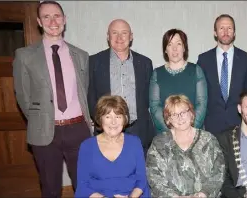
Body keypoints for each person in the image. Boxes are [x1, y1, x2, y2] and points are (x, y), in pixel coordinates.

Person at [12, 1, 93, 197]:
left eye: (57, 16)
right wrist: (41, 119)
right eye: (46, 17)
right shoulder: (24, 56)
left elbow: (85, 90)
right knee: (50, 188)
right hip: (45, 132)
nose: (53, 21)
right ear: (39, 22)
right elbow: (23, 97)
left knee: (85, 185)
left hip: (78, 130)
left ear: (64, 20)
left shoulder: (81, 55)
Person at [88, 19, 156, 155]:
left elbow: (150, 98)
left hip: (138, 130)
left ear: (131, 37)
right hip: (107, 130)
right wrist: (99, 122)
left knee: (139, 173)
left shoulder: (145, 63)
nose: (119, 38)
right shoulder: (94, 62)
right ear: (108, 37)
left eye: (124, 33)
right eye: (114, 33)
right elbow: (90, 96)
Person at [146, 94, 224, 197]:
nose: (180, 118)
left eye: (183, 112)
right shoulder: (159, 143)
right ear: (168, 119)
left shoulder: (208, 139)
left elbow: (219, 172)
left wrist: (204, 194)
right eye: (174, 114)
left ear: (191, 113)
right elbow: (154, 178)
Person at [76, 95, 149, 198]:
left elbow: (141, 179)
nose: (113, 122)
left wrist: (131, 197)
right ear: (100, 119)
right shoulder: (87, 146)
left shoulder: (135, 142)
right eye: (108, 116)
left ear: (125, 119)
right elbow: (83, 184)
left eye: (118, 116)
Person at [197, 14, 247, 135]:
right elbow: (200, 95)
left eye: (229, 28)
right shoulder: (203, 60)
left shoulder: (246, 59)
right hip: (212, 126)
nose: (225, 32)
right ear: (215, 32)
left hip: (239, 124)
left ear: (234, 33)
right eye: (221, 28)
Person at [149, 29, 207, 133]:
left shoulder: (196, 70)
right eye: (170, 45)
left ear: (184, 48)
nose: (174, 49)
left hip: (193, 133)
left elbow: (201, 104)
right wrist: (172, 133)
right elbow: (154, 107)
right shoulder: (157, 73)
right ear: (165, 49)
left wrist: (189, 131)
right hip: (166, 135)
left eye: (179, 44)